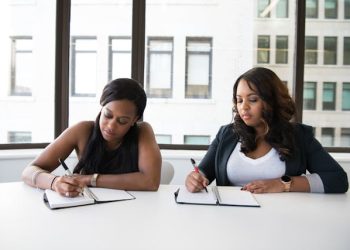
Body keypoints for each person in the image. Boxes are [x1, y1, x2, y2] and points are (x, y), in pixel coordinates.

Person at [185, 67, 348, 194]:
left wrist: (281, 184)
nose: (244, 107)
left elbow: (338, 180)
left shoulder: (299, 135)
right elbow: (204, 172)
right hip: (232, 220)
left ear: (272, 100)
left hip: (282, 220)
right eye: (239, 100)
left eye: (253, 99)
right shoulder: (227, 134)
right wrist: (195, 179)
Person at [22, 78, 161, 197]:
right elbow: (29, 171)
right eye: (107, 115)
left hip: (132, 212)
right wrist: (54, 182)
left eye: (122, 121)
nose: (111, 126)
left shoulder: (143, 131)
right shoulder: (82, 130)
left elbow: (151, 182)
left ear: (134, 120)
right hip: (88, 211)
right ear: (102, 106)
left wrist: (89, 179)